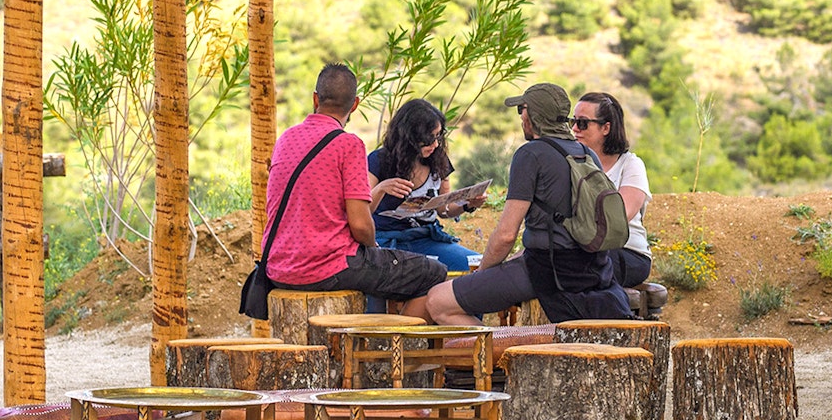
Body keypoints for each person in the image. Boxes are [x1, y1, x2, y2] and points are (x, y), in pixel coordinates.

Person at [427, 82, 632, 325]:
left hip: (547, 271)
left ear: (533, 115)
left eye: (522, 109)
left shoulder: (530, 155)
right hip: (592, 269)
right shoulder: (586, 154)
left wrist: (482, 276)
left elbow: (505, 235)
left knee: (437, 301)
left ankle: (502, 354)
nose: (521, 117)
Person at [261, 63, 446, 321]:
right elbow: (360, 225)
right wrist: (374, 249)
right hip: (327, 267)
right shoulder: (349, 145)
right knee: (433, 272)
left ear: (315, 99)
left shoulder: (286, 139)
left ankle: (382, 343)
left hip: (279, 267)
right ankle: (394, 351)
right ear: (355, 104)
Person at [368, 98, 485, 272]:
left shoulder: (438, 159)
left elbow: (444, 209)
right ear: (410, 136)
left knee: (479, 266)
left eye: (438, 137)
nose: (435, 144)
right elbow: (361, 212)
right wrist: (381, 189)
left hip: (426, 238)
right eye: (429, 138)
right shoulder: (378, 160)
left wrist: (467, 205)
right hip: (386, 240)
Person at [571, 91, 653, 288]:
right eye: (572, 122)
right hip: (581, 250)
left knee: (571, 268)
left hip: (626, 252)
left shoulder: (630, 165)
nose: (574, 128)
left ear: (606, 127)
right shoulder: (573, 163)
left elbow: (619, 216)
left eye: (582, 123)